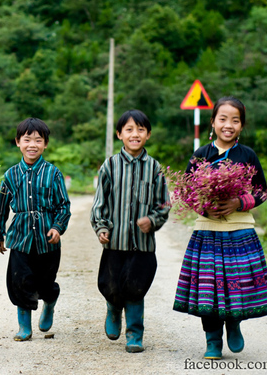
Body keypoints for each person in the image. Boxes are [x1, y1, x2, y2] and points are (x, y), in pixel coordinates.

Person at [172, 96, 267, 360]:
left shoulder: (247, 155)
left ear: (242, 126)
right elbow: (185, 191)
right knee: (208, 289)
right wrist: (203, 207)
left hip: (240, 232)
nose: (228, 125)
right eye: (223, 119)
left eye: (235, 120)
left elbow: (262, 192)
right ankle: (212, 341)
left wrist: (238, 202)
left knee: (236, 284)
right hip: (207, 231)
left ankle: (234, 323)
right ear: (213, 122)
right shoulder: (201, 155)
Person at [90, 109, 170, 353]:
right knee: (111, 286)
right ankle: (113, 309)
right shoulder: (110, 166)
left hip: (142, 245)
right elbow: (100, 202)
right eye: (129, 129)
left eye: (141, 129)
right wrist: (101, 227)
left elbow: (164, 204)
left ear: (148, 135)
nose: (135, 134)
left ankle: (135, 334)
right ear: (119, 134)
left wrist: (153, 220)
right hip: (114, 243)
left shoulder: (155, 168)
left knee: (136, 289)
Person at [0, 118, 71, 341]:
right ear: (18, 142)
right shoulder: (10, 175)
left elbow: (64, 205)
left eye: (38, 140)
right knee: (20, 281)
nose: (32, 144)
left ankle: (50, 302)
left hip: (48, 240)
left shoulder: (53, 173)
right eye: (27, 139)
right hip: (20, 238)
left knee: (45, 284)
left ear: (45, 144)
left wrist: (57, 227)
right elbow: (0, 207)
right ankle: (24, 327)